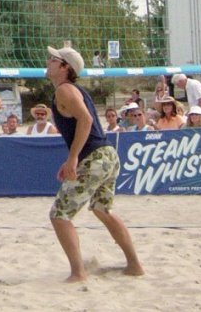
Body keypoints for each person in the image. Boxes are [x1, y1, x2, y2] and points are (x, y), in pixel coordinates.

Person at [45, 45, 144, 282]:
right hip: (108, 154)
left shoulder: (65, 90)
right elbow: (86, 125)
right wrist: (71, 157)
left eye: (52, 59)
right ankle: (134, 265)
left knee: (59, 215)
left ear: (64, 67)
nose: (47, 61)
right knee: (102, 210)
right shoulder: (74, 90)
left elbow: (86, 119)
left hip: (95, 158)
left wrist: (73, 158)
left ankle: (78, 273)